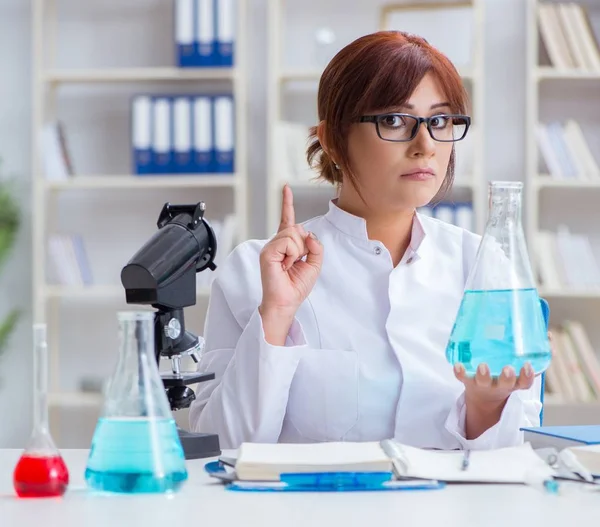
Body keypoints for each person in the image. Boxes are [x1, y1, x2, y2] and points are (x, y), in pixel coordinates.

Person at [188, 31, 546, 450]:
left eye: (440, 120)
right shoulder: (256, 271)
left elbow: (514, 452)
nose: (425, 145)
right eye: (393, 120)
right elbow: (220, 447)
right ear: (333, 140)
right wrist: (277, 316)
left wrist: (485, 408)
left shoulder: (483, 267)